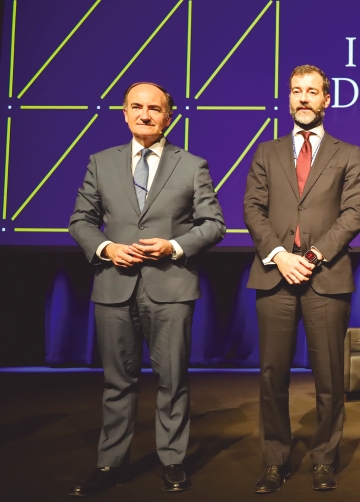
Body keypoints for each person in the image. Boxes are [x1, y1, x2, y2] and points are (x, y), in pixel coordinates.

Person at [68, 82, 225, 495]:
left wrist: (174, 246)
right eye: (136, 107)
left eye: (154, 109)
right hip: (113, 287)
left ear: (168, 116)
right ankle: (110, 464)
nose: (145, 114)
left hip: (170, 289)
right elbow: (80, 221)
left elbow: (214, 225)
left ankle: (172, 460)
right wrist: (106, 248)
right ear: (124, 113)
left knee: (172, 380)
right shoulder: (100, 163)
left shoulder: (192, 165)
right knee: (117, 382)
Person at [244, 65, 360, 493]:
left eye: (312, 92)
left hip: (326, 277)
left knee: (330, 378)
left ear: (326, 100)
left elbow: (354, 213)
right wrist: (280, 256)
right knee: (271, 375)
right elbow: (252, 209)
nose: (303, 99)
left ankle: (323, 460)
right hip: (274, 276)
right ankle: (275, 461)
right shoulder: (266, 152)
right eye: (296, 91)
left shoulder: (347, 152)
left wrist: (312, 256)